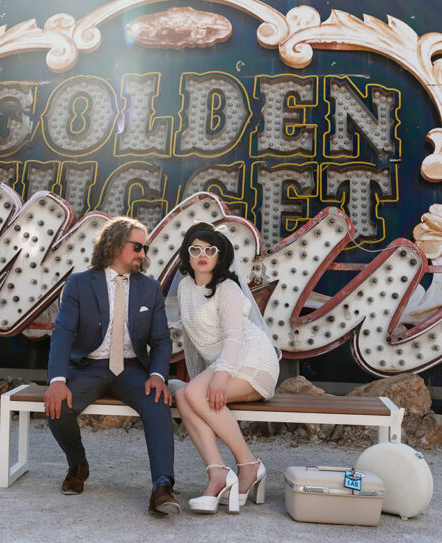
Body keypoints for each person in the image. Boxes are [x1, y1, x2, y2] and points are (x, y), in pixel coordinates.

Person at [44, 216, 179, 515]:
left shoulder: (150, 288)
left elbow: (161, 340)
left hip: (132, 368)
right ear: (117, 245)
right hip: (89, 366)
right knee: (58, 407)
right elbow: (63, 333)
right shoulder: (80, 283)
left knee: (157, 401)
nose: (143, 254)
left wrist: (157, 375)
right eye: (138, 246)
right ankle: (78, 463)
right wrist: (57, 380)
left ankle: (162, 487)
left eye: (145, 248)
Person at [169, 222, 280, 514]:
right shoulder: (185, 287)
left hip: (252, 359)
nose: (202, 254)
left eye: (210, 249)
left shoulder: (227, 288)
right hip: (223, 364)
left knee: (193, 394)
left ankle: (249, 465)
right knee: (184, 395)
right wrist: (200, 382)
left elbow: (234, 338)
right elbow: (193, 341)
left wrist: (219, 378)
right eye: (195, 249)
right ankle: (217, 472)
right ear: (187, 255)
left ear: (220, 256)